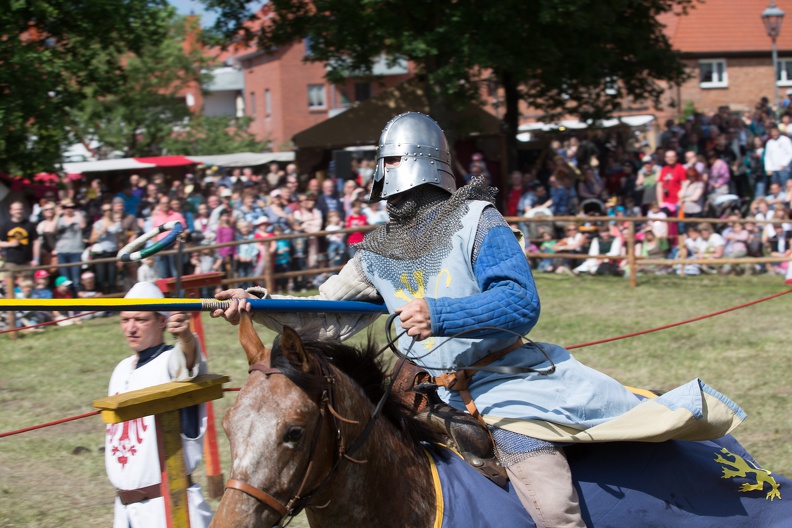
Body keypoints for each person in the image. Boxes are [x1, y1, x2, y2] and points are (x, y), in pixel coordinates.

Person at [211, 112, 745, 528]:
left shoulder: (475, 220)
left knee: (552, 505)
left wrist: (440, 313)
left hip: (504, 383)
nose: (385, 174)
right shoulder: (378, 250)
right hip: (421, 390)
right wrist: (257, 305)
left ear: (414, 163)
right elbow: (325, 317)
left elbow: (520, 302)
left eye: (389, 162)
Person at [106, 282, 212, 528]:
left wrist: (185, 337)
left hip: (167, 508)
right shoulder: (120, 369)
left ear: (162, 321)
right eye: (125, 320)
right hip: (125, 511)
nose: (131, 328)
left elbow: (189, 363)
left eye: (141, 320)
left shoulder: (169, 361)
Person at [0, 200, 41, 279]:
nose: (18, 211)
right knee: (10, 287)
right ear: (11, 211)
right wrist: (10, 244)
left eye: (20, 209)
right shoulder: (6, 225)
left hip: (27, 262)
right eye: (15, 209)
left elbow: (36, 242)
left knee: (28, 286)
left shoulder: (29, 225)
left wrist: (36, 259)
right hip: (11, 262)